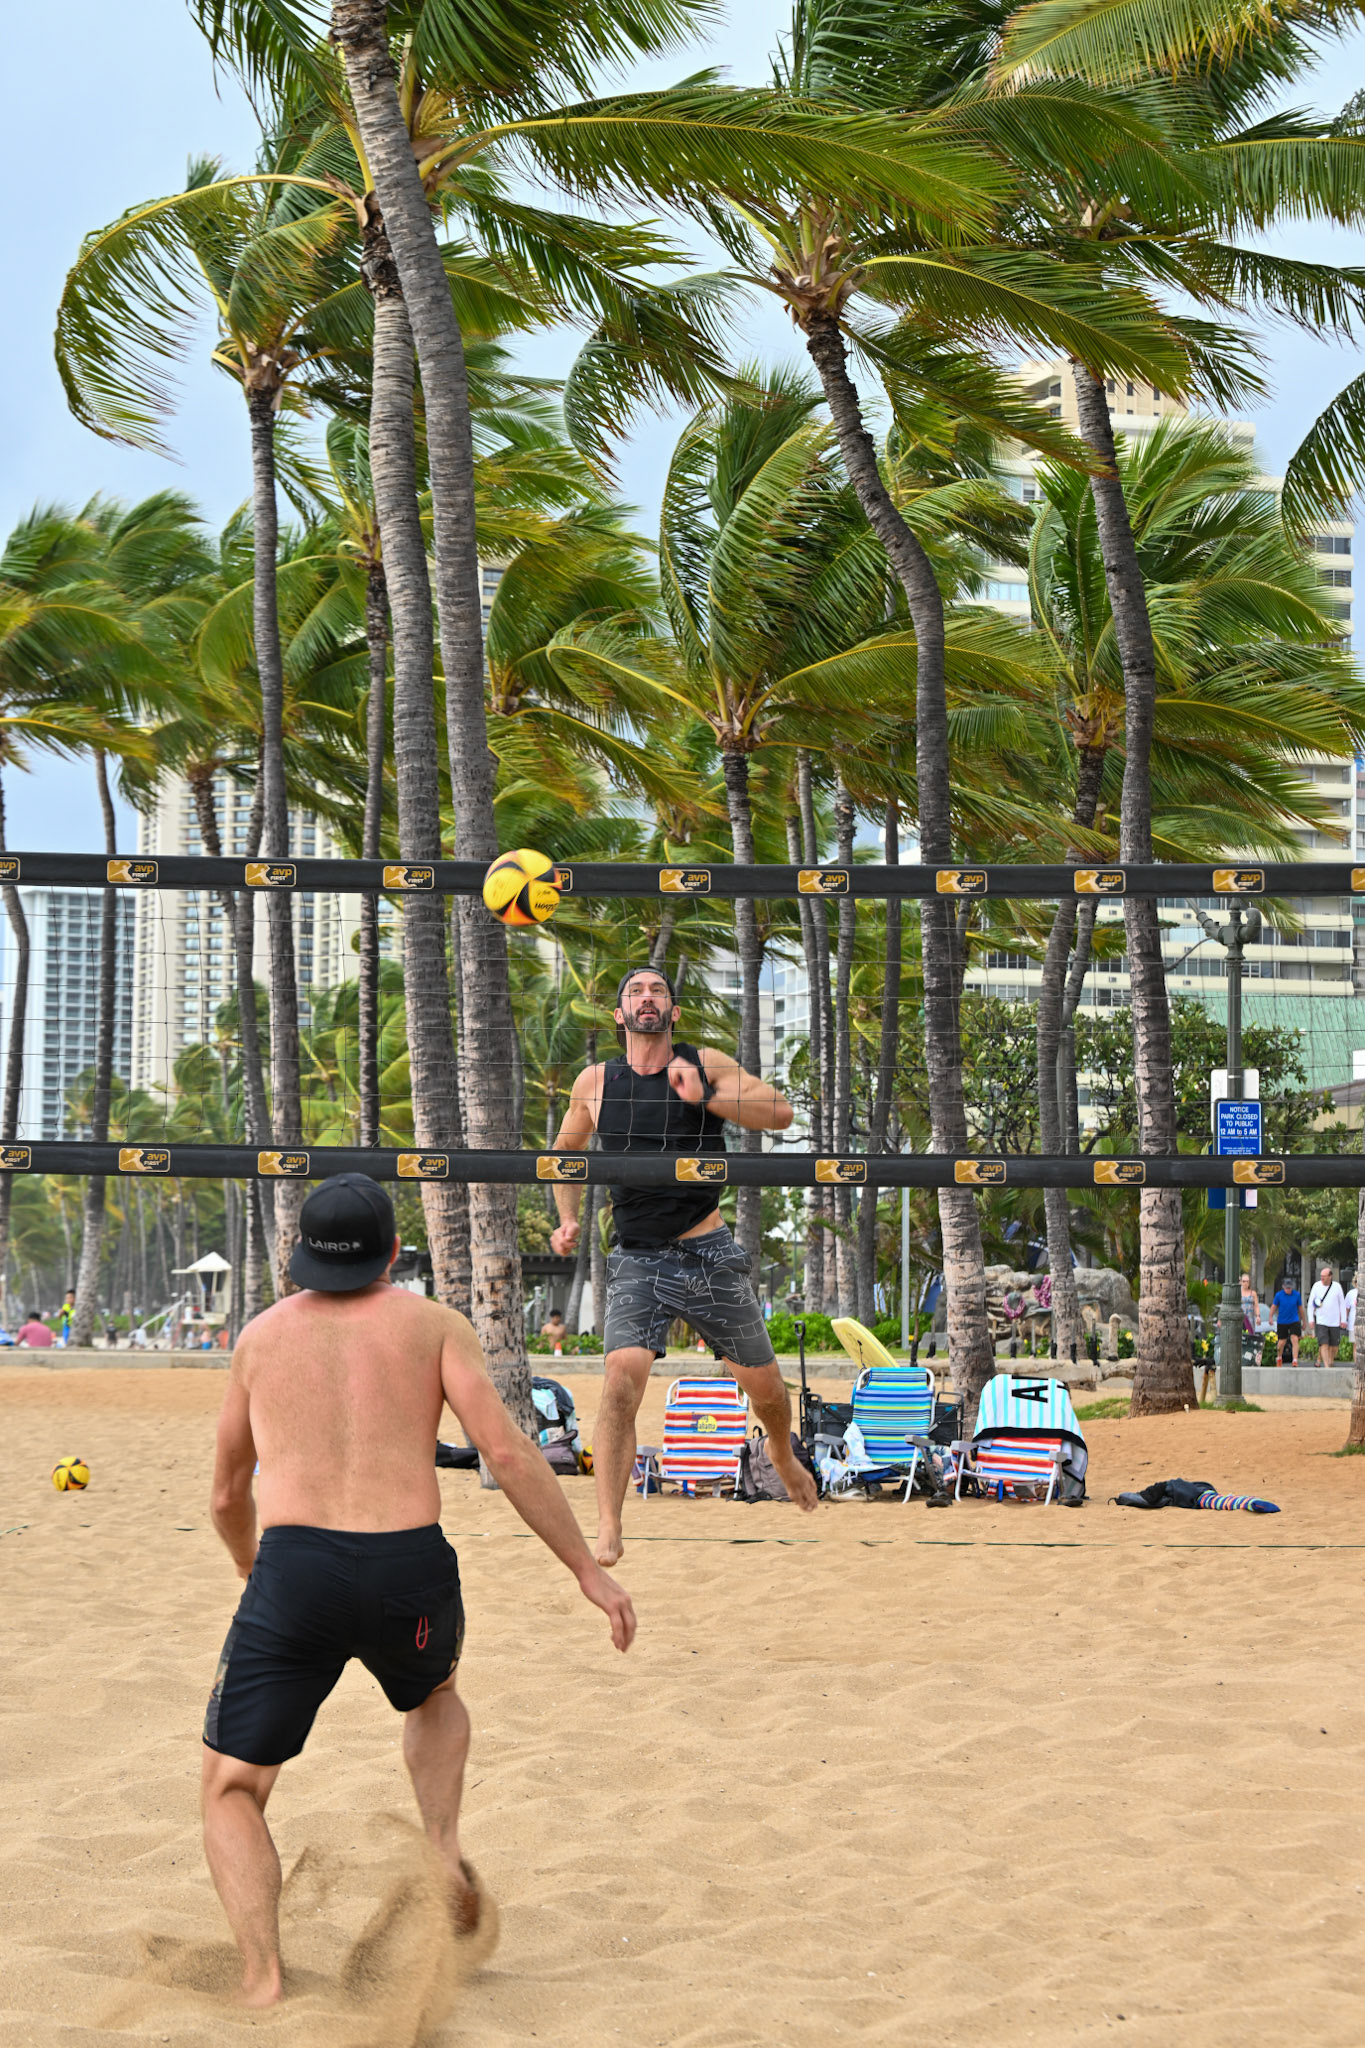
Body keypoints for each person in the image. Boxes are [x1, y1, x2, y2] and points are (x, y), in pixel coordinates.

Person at [202, 1173, 635, 2007]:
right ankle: (440, 1847)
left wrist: (252, 1572)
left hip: (293, 1570)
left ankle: (262, 1977)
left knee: (232, 1786)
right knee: (432, 1691)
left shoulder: (258, 1338)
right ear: (394, 1252)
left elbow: (226, 1494)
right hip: (408, 1565)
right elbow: (507, 1455)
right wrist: (586, 1568)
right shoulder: (434, 1325)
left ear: (298, 1260)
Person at [548, 965, 817, 1565]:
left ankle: (777, 1449)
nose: (648, 998)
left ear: (672, 1012)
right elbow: (563, 1152)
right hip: (638, 1257)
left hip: (707, 1249)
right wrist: (567, 1219)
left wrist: (707, 1097)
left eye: (659, 991)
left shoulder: (703, 1062)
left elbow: (779, 1114)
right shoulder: (595, 1082)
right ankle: (610, 1524)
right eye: (636, 992)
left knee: (767, 1389)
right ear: (620, 1015)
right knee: (620, 1379)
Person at [1307, 1264, 1346, 1368]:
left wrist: (1344, 1319)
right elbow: (1310, 1304)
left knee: (1334, 1346)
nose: (1322, 1278)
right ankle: (1326, 1366)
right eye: (1321, 1276)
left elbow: (1342, 1304)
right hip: (1321, 1320)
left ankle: (1330, 1360)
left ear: (1330, 1276)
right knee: (1323, 1343)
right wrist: (1311, 1319)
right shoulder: (1316, 1286)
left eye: (1324, 1276)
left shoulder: (1337, 1287)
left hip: (1334, 1321)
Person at [1270, 1275, 1301, 1367]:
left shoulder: (1296, 1295)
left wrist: (1304, 1320)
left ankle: (1295, 1359)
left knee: (1294, 1339)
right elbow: (1274, 1306)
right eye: (1287, 1288)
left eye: (1290, 1287)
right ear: (1283, 1287)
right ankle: (1279, 1357)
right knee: (1282, 1341)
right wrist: (1270, 1317)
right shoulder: (1279, 1295)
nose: (1288, 1289)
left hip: (1294, 1320)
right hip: (1282, 1321)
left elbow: (1300, 1308)